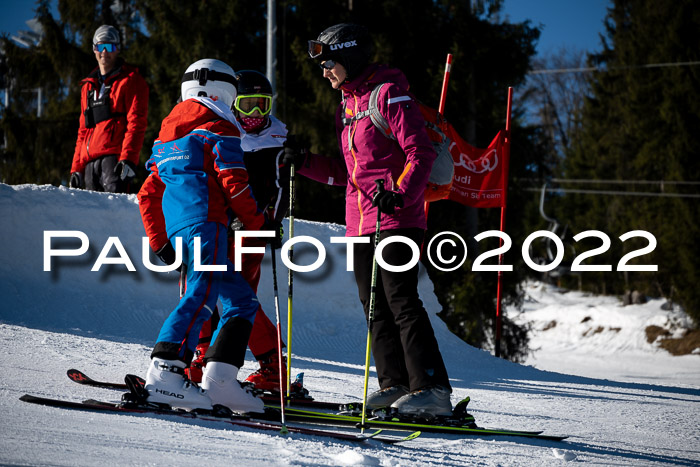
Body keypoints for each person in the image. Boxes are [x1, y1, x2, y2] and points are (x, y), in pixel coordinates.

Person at [285, 23, 453, 417]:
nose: (325, 72)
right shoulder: (347, 105)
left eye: (329, 63)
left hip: (398, 218)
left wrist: (399, 194)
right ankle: (394, 384)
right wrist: (306, 163)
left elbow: (420, 155)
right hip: (360, 222)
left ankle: (432, 388)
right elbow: (350, 174)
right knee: (374, 305)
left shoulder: (389, 95)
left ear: (349, 57)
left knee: (402, 301)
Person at [138, 58, 271, 414]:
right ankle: (165, 371)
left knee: (242, 301)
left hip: (181, 226)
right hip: (207, 222)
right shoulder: (218, 128)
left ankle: (221, 381)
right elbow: (235, 182)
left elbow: (148, 192)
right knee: (201, 293)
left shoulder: (168, 138)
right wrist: (257, 222)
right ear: (225, 91)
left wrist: (160, 241)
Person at [186, 70, 289, 394]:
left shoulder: (277, 139)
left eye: (263, 105)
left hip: (251, 230)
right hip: (221, 226)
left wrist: (273, 222)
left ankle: (272, 367)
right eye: (248, 105)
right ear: (234, 105)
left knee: (235, 295)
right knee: (211, 289)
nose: (256, 115)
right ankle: (205, 357)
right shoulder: (225, 134)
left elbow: (281, 188)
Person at [70, 25, 149, 193]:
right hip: (89, 164)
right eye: (100, 47)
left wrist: (128, 159)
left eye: (110, 47)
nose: (104, 52)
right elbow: (83, 130)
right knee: (91, 217)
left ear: (117, 49)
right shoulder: (88, 87)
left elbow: (136, 123)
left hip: (114, 161)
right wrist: (76, 168)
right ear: (94, 49)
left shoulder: (131, 80)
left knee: (114, 213)